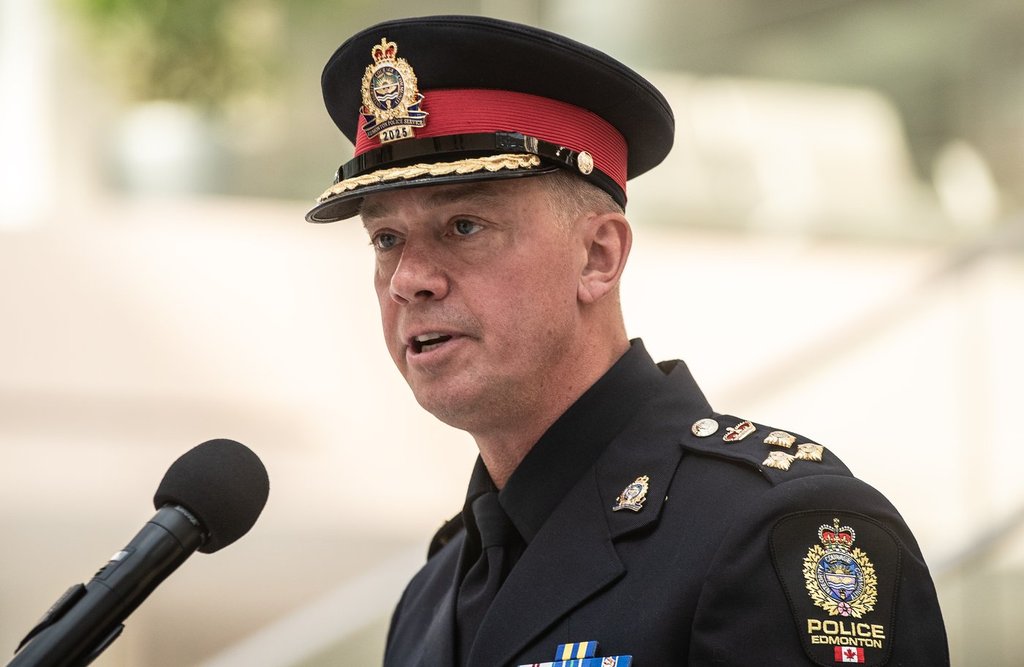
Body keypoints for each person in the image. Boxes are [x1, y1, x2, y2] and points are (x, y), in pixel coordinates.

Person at [306, 15, 949, 667]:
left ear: (598, 256)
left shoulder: (777, 529)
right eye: (386, 239)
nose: (408, 279)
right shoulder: (432, 594)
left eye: (464, 226)